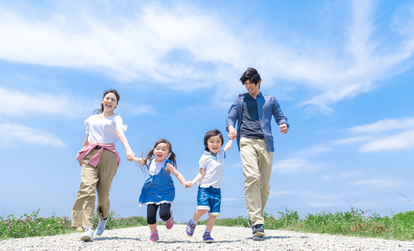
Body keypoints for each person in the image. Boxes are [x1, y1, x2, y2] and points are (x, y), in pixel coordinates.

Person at [226, 67, 289, 239]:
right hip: (246, 140)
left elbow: (281, 117)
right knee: (252, 176)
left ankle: (255, 216)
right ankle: (257, 222)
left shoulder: (270, 100)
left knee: (265, 187)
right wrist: (231, 128)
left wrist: (283, 125)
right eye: (245, 84)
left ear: (258, 81)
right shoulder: (240, 100)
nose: (248, 87)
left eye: (250, 83)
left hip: (266, 143)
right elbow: (230, 118)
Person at [71, 89, 135, 241]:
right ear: (102, 100)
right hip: (91, 154)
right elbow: (88, 138)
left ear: (116, 104)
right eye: (107, 98)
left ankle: (103, 217)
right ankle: (87, 227)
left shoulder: (116, 118)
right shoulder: (92, 119)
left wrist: (128, 149)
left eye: (113, 100)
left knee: (103, 194)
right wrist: (81, 153)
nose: (109, 101)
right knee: (86, 189)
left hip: (109, 155)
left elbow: (120, 133)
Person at [133, 139, 191, 242]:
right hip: (151, 193)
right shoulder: (150, 162)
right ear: (154, 150)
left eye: (163, 150)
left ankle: (169, 217)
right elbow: (142, 161)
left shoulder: (167, 165)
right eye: (157, 148)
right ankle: (154, 234)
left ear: (168, 154)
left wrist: (184, 182)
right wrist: (132, 158)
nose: (160, 151)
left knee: (163, 214)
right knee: (150, 216)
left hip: (165, 193)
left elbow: (177, 174)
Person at [185, 129, 233, 243]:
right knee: (203, 209)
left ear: (221, 143)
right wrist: (192, 182)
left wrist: (231, 139)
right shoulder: (204, 157)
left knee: (213, 214)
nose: (215, 144)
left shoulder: (221, 153)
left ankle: (207, 234)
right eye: (211, 141)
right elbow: (201, 173)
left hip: (216, 190)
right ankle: (192, 222)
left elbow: (228, 147)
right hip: (205, 188)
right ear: (206, 143)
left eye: (218, 141)